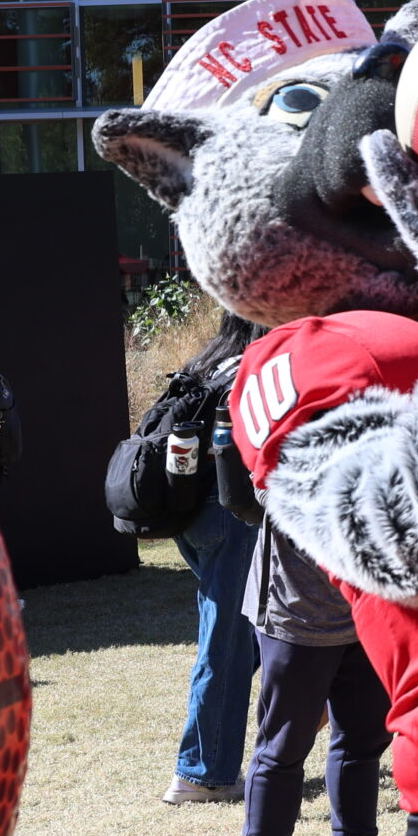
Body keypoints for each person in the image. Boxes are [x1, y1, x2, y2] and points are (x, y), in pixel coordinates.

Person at [237, 520, 396, 836]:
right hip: (296, 608)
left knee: (364, 744)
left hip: (370, 607)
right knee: (282, 751)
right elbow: (261, 494)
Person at [163, 316, 264, 804]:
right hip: (229, 515)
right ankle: (202, 774)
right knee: (225, 642)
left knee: (240, 637)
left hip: (189, 516)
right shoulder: (251, 368)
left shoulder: (205, 363)